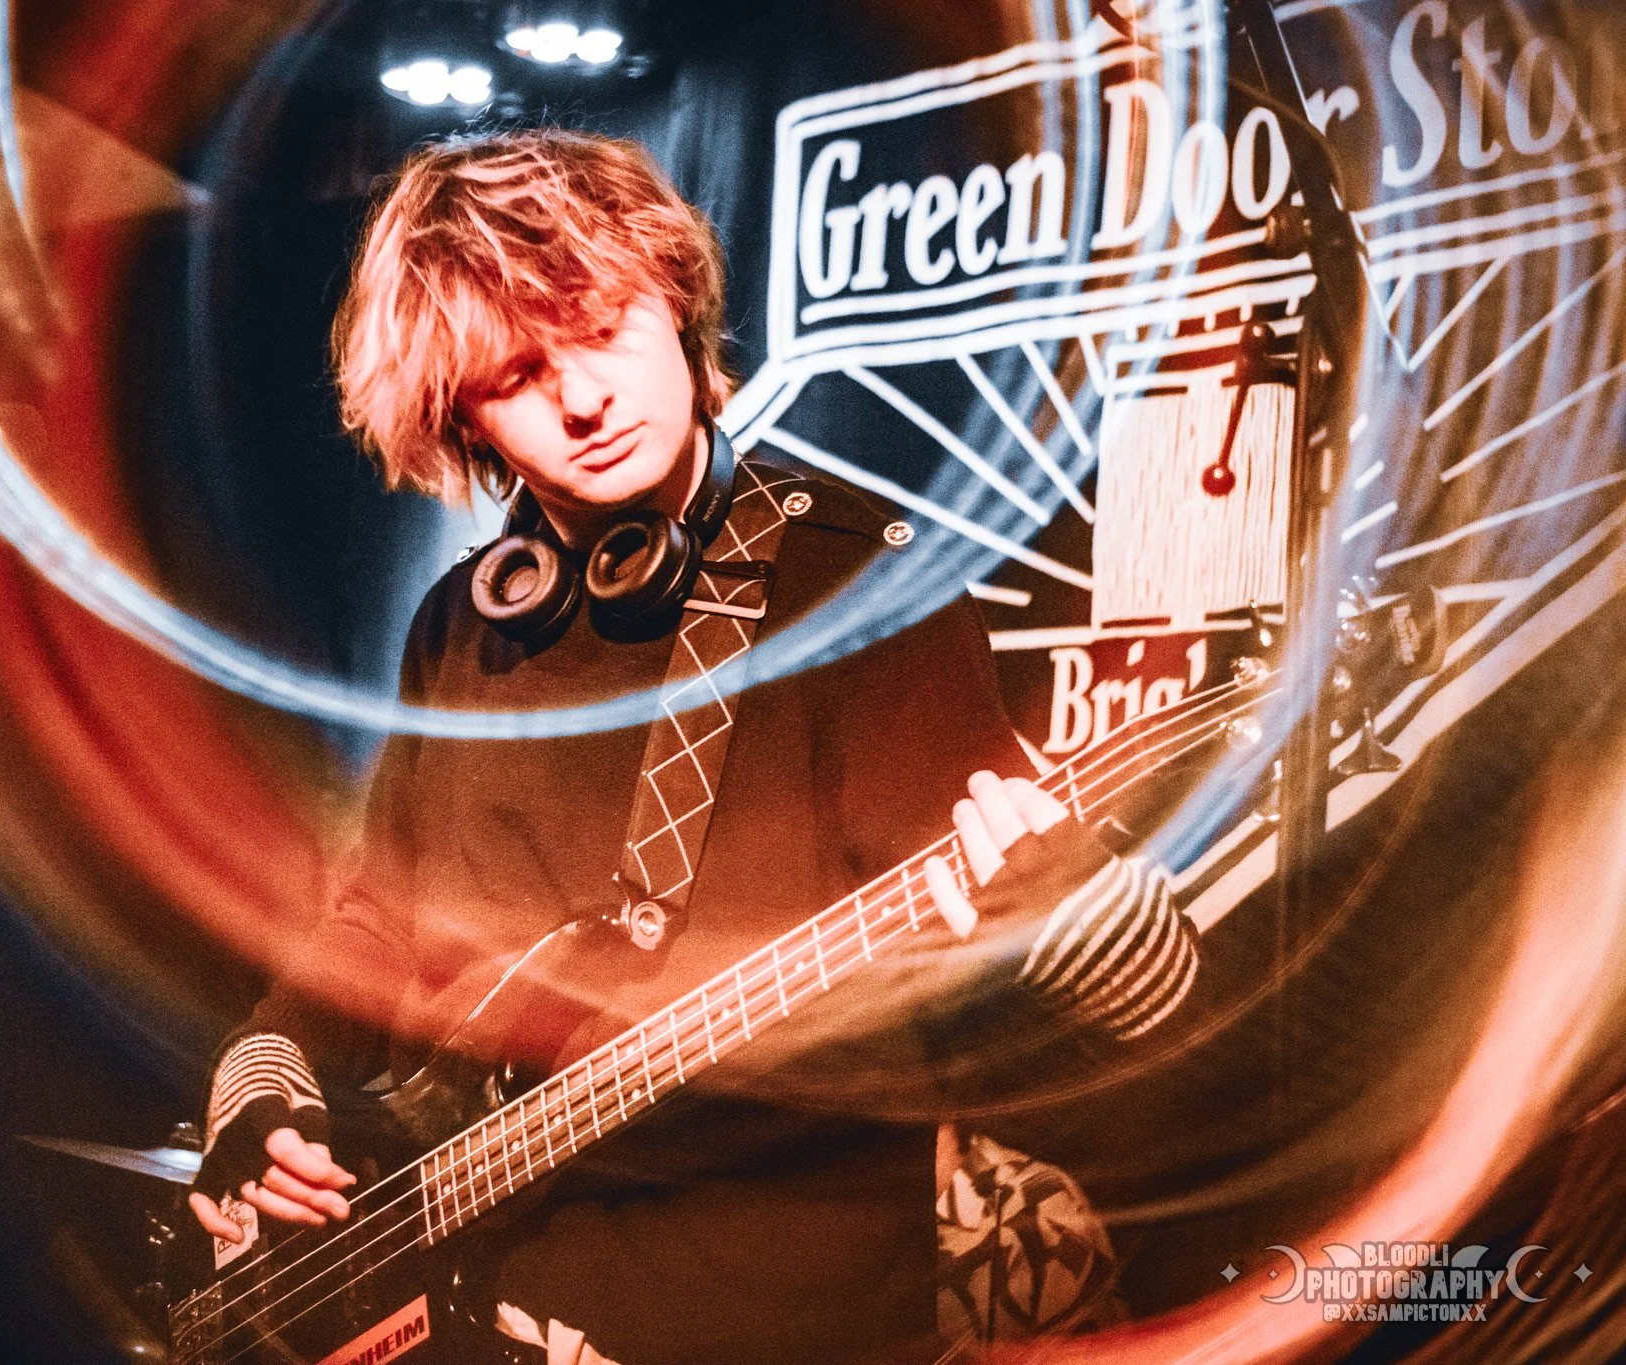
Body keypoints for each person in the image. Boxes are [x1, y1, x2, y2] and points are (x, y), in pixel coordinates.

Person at [187, 129, 1198, 1364]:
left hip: (752, 1308)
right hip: (461, 1295)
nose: (582, 398)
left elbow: (1114, 1020)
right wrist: (263, 1075)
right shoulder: (462, 625)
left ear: (670, 297)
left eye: (601, 325)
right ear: (461, 417)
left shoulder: (851, 588)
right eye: (514, 374)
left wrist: (1071, 902)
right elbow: (381, 921)